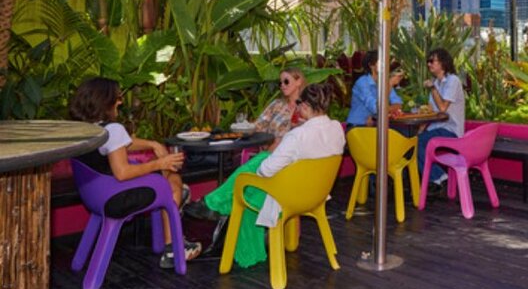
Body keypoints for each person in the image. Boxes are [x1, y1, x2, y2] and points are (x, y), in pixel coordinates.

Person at [184, 82, 345, 268]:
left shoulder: (298, 135)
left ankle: (214, 205)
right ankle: (213, 203)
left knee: (254, 173)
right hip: (315, 194)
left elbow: (265, 171)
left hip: (287, 197)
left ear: (306, 106)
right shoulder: (336, 129)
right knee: (260, 161)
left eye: (300, 104)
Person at [68, 77, 202, 269]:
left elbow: (120, 143)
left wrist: (152, 144)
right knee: (171, 179)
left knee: (167, 180)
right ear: (105, 101)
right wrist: (159, 163)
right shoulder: (113, 129)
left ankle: (178, 196)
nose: (120, 102)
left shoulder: (85, 128)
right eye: (117, 97)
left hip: (93, 196)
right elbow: (122, 173)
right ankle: (173, 246)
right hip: (117, 199)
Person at [418, 48, 466, 195]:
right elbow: (432, 112)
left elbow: (443, 108)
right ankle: (430, 180)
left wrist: (432, 88)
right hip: (437, 128)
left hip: (451, 130)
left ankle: (438, 178)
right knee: (413, 140)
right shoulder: (437, 83)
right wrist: (420, 129)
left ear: (443, 63)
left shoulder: (453, 81)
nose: (429, 64)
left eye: (432, 61)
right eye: (428, 61)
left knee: (418, 143)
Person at [345, 49, 404, 129]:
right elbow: (376, 108)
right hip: (357, 127)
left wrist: (384, 110)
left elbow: (398, 104)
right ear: (371, 65)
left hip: (375, 125)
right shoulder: (362, 82)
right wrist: (390, 84)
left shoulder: (384, 82)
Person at [254, 66, 307, 148]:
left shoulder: (307, 106)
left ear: (298, 82)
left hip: (297, 153)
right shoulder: (277, 104)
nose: (282, 85)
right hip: (272, 151)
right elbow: (258, 126)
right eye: (280, 83)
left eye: (286, 81)